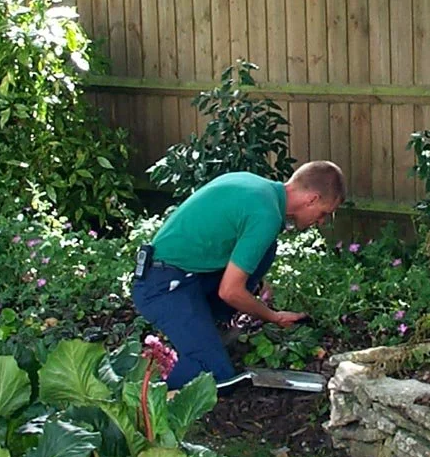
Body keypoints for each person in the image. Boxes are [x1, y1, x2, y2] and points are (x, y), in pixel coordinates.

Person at [131, 161, 345, 390]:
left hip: (183, 274)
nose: (321, 222)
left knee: (266, 250)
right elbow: (230, 290)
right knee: (215, 377)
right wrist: (274, 316)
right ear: (311, 199)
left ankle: (208, 329)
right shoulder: (266, 215)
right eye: (324, 213)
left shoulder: (258, 187)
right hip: (162, 287)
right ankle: (140, 390)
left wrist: (257, 283)